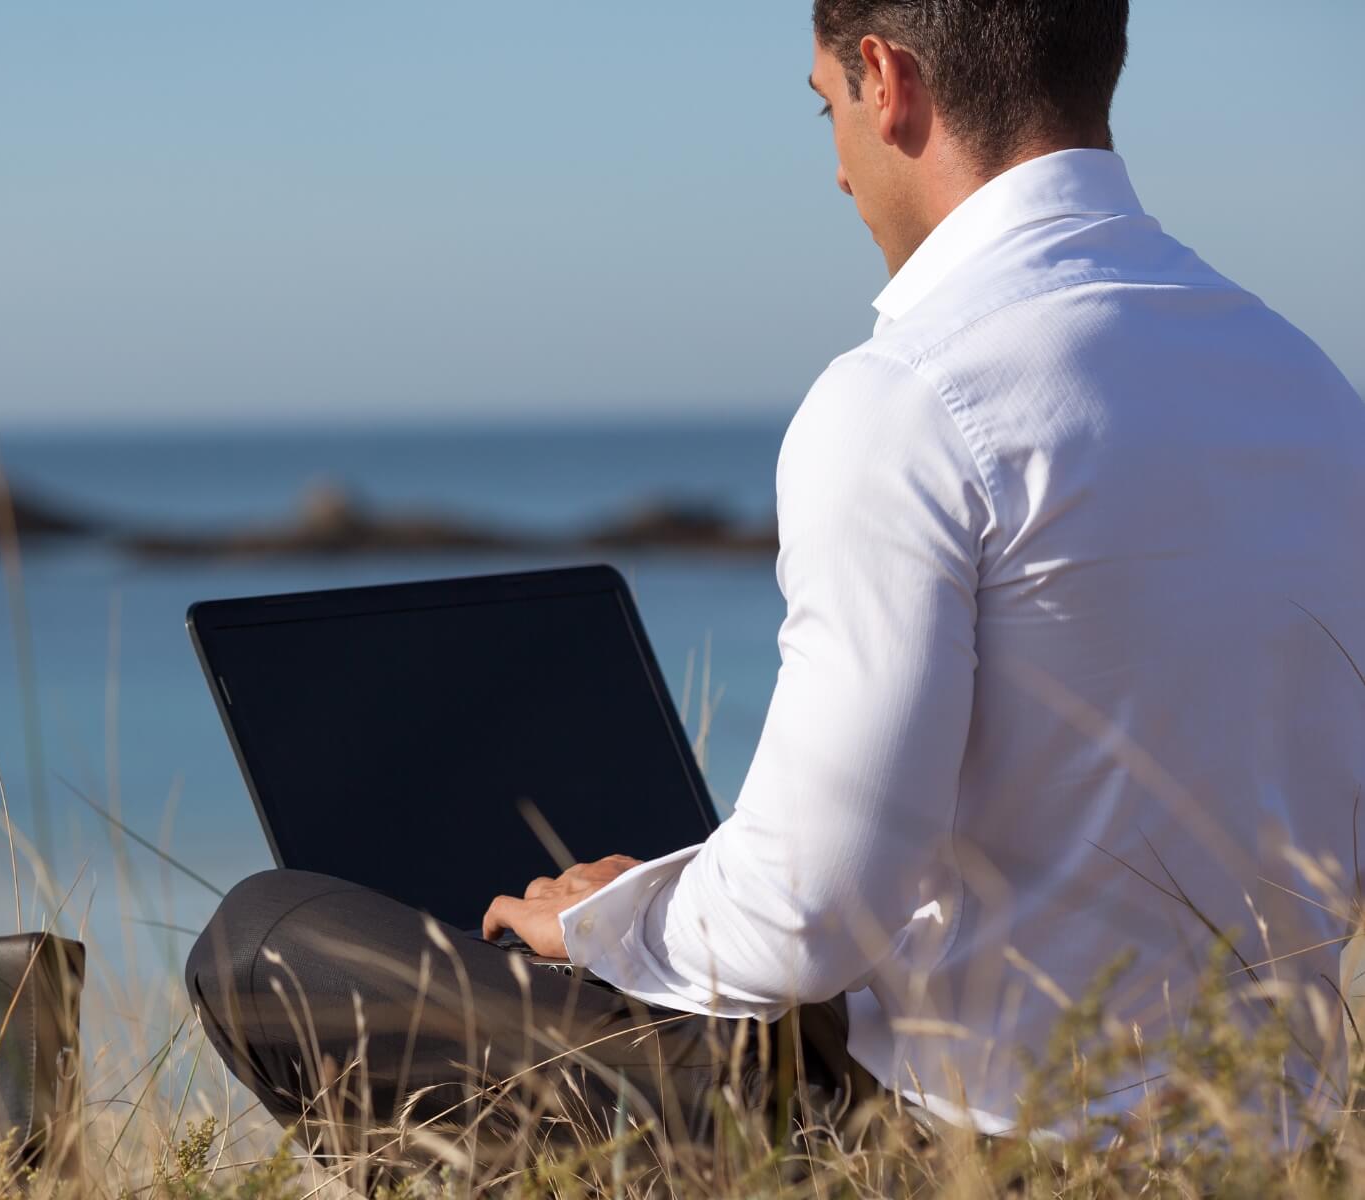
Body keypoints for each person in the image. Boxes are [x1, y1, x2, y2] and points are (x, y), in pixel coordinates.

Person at [187, 0, 1365, 1163]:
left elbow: (815, 918)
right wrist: (671, 893)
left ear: (886, 78)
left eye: (825, 110)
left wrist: (600, 926)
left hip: (970, 1149)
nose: (841, 174)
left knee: (264, 942)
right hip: (1261, 1137)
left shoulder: (910, 399)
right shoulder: (1307, 387)